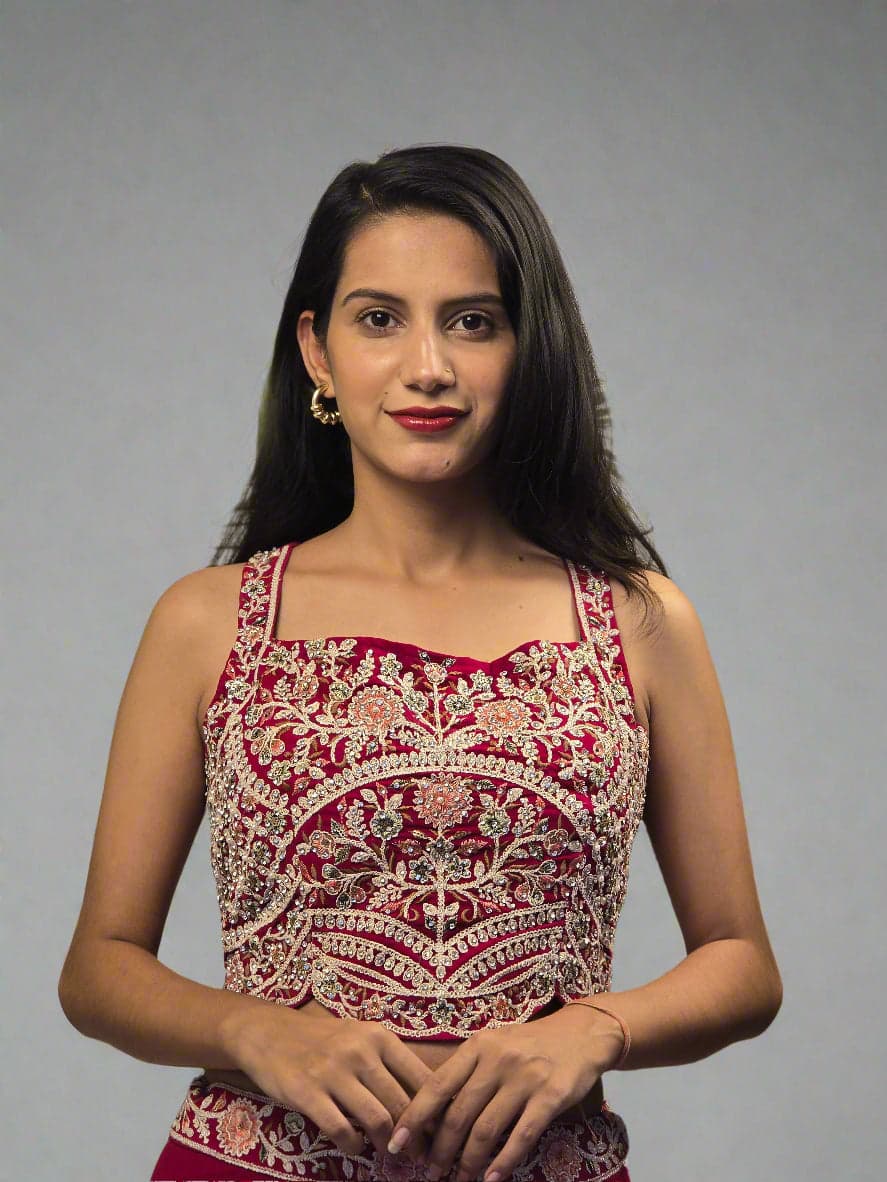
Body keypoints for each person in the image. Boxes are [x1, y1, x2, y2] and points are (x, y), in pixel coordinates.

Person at [58, 143, 783, 1182]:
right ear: (317, 351)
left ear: (526, 348)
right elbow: (98, 968)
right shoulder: (209, 622)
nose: (428, 366)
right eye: (378, 319)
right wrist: (249, 1031)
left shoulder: (635, 619)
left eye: (471, 321)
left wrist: (590, 1030)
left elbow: (741, 961)